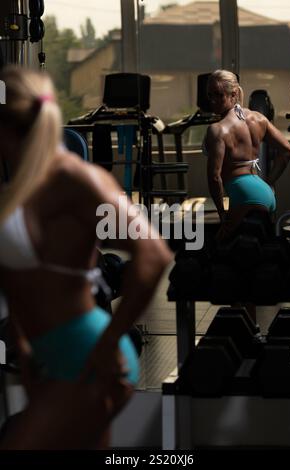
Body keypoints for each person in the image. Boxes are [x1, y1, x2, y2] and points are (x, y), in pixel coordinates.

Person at [0, 66, 172, 449]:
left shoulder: (74, 178)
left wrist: (109, 341)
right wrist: (25, 344)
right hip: (51, 357)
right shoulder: (22, 186)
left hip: (87, 353)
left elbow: (154, 255)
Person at [203, 69, 290, 241]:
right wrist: (268, 184)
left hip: (244, 196)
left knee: (219, 249)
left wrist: (222, 213)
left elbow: (214, 177)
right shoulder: (258, 118)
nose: (213, 101)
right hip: (266, 194)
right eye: (210, 95)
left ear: (234, 94)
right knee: (258, 251)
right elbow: (287, 151)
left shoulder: (218, 129)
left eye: (219, 95)